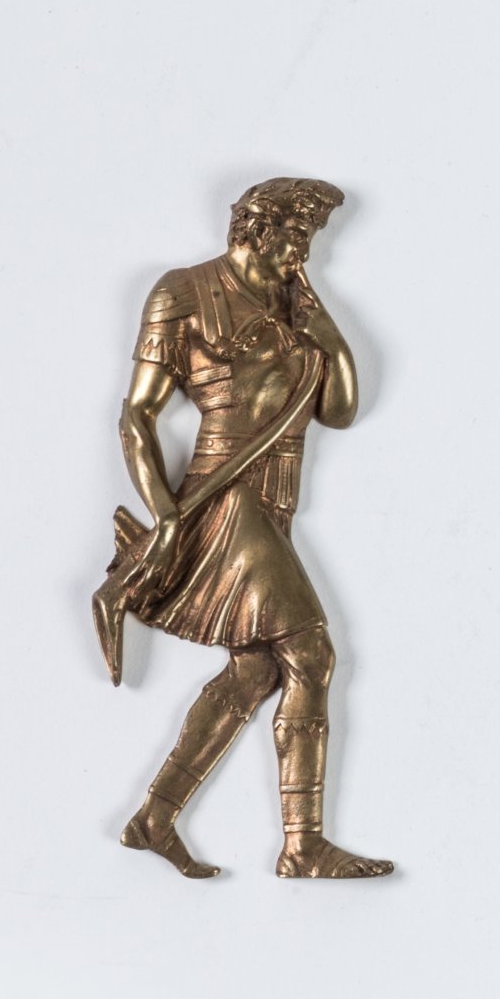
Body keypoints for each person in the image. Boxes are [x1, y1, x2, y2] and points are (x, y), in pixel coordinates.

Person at [103, 178, 390, 879]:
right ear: (256, 229)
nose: (302, 253)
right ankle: (302, 845)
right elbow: (137, 416)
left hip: (278, 500)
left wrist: (323, 328)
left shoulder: (294, 304)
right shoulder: (183, 292)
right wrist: (164, 516)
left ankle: (154, 817)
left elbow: (339, 410)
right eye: (295, 237)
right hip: (225, 497)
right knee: (312, 657)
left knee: (255, 669)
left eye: (310, 240)